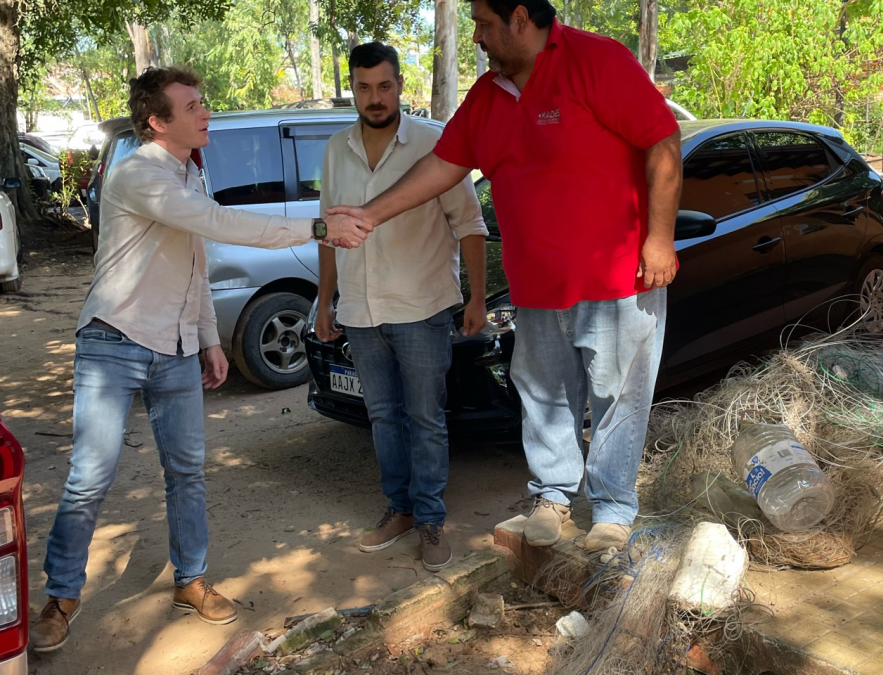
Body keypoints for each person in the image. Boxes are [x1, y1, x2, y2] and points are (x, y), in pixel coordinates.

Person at [30, 66, 370, 652]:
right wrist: (319, 224)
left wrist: (211, 341)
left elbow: (195, 261)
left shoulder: (190, 171)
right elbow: (217, 225)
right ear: (158, 121)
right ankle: (61, 596)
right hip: (115, 338)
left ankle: (190, 579)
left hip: (180, 346)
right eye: (192, 106)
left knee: (186, 473)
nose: (205, 112)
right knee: (90, 478)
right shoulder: (140, 171)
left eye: (203, 102)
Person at [327, 0, 682, 553]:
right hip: (535, 284)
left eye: (484, 25)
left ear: (520, 19)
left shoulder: (598, 61)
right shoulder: (488, 95)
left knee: (616, 398)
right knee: (543, 397)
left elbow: (662, 140)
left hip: (617, 279)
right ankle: (553, 497)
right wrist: (371, 214)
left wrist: (659, 238)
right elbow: (443, 166)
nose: (477, 38)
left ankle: (612, 509)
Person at [314, 43, 489, 572]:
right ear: (352, 88)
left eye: (384, 86)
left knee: (426, 418)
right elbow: (328, 233)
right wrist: (325, 303)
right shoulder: (335, 149)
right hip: (360, 313)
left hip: (422, 308)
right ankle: (401, 508)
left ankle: (432, 519)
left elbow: (471, 225)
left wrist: (477, 295)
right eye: (364, 88)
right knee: (383, 417)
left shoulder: (435, 145)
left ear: (399, 86)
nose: (375, 98)